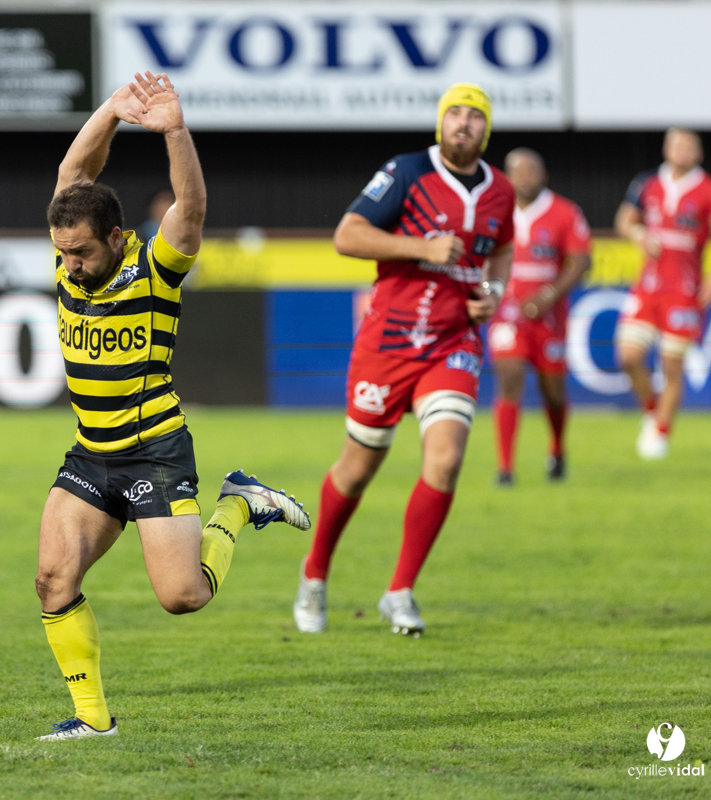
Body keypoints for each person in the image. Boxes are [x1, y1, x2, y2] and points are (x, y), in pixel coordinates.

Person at [35, 72, 310, 741]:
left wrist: (173, 130)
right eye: (63, 252)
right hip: (91, 454)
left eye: (82, 252)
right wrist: (110, 111)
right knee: (52, 577)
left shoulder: (156, 269)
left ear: (118, 237)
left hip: (156, 453)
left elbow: (192, 204)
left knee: (183, 597)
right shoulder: (69, 251)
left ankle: (240, 503)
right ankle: (92, 721)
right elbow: (75, 171)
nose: (69, 265)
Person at [292, 83, 514, 637]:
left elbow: (503, 248)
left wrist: (493, 291)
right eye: (455, 113)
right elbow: (347, 236)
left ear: (487, 129)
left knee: (444, 460)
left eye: (475, 116)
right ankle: (315, 572)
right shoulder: (407, 170)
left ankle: (400, 591)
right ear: (441, 123)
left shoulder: (501, 191)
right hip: (388, 343)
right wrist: (423, 247)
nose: (464, 123)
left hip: (452, 343)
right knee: (358, 467)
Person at [614, 128, 711, 460]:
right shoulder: (647, 182)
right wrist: (637, 233)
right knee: (628, 356)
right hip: (647, 287)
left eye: (689, 145)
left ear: (699, 153)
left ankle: (661, 432)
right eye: (676, 143)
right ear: (665, 148)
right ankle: (653, 410)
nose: (681, 150)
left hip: (685, 291)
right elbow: (624, 220)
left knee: (671, 364)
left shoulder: (710, 190)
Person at [488, 149, 591, 485]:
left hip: (549, 318)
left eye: (532, 171)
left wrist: (548, 296)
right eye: (518, 172)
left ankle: (558, 449)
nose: (525, 178)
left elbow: (580, 262)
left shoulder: (564, 212)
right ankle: (505, 468)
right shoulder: (494, 210)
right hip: (507, 313)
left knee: (553, 391)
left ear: (543, 176)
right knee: (509, 377)